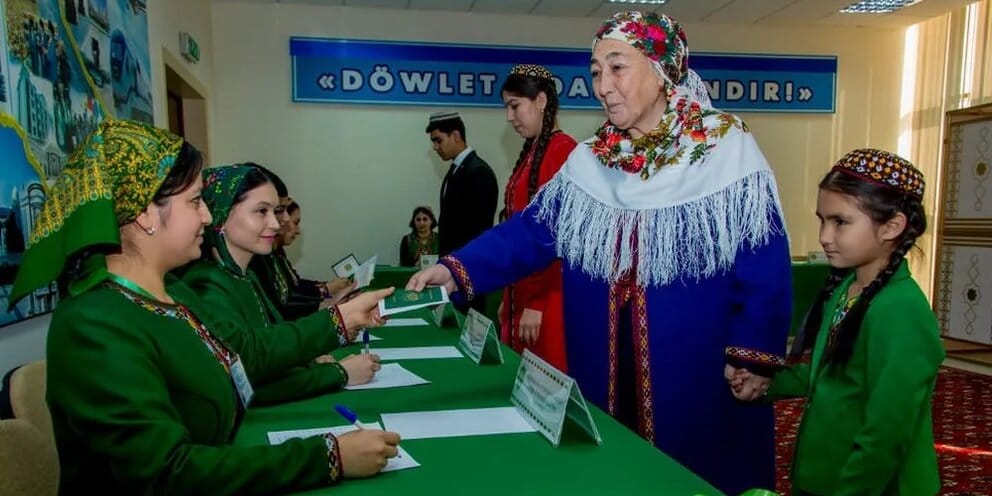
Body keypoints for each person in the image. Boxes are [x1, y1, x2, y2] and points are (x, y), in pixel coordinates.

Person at [408, 11, 791, 493]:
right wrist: (454, 270)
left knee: (694, 474)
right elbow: (529, 233)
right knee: (615, 472)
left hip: (695, 369)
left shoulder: (724, 148)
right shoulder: (592, 160)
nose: (602, 85)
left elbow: (764, 263)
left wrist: (753, 356)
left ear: (662, 68)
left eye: (617, 67)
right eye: (594, 71)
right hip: (605, 360)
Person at [9, 120, 400, 493]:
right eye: (194, 201)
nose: (208, 215)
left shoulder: (174, 293)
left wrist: (338, 321)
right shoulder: (93, 324)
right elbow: (167, 473)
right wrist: (327, 456)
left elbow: (245, 357)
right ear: (145, 212)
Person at [732, 149, 943, 496]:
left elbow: (887, 432)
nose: (824, 236)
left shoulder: (901, 311)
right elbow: (828, 373)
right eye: (822, 220)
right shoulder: (848, 288)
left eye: (840, 222)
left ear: (892, 226)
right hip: (825, 476)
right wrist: (765, 381)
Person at [180, 164, 380, 400]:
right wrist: (337, 372)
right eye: (261, 211)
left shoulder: (244, 275)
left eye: (275, 211)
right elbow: (245, 377)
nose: (276, 224)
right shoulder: (206, 284)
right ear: (221, 214)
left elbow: (273, 344)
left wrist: (310, 361)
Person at [497, 63, 576, 372]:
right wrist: (511, 295)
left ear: (541, 101)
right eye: (506, 108)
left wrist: (538, 302)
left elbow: (558, 236)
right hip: (522, 292)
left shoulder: (563, 151)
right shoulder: (531, 152)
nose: (509, 117)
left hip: (546, 298)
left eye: (515, 106)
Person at [248, 163, 354, 320]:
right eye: (263, 210)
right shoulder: (214, 279)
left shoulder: (265, 255)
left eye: (278, 210)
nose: (284, 220)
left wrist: (327, 302)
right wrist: (325, 299)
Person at [426, 111, 498, 314]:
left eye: (438, 140)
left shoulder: (478, 171)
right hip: (453, 270)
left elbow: (479, 229)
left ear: (456, 136)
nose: (435, 147)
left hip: (469, 271)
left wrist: (463, 269)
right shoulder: (456, 169)